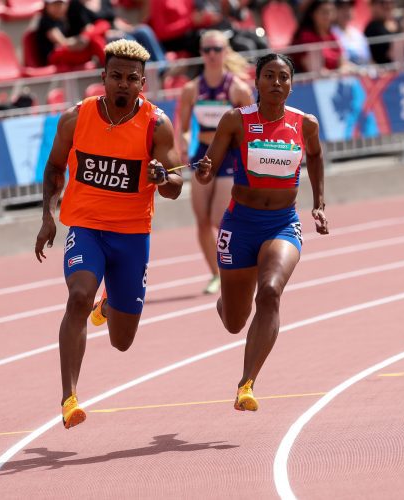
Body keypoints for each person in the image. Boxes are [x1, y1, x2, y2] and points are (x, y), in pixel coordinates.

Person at [34, 40, 184, 429]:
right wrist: (48, 217)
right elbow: (53, 169)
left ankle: (110, 305)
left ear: (142, 83)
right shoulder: (75, 118)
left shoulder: (156, 125)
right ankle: (69, 398)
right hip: (85, 228)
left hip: (132, 236)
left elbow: (175, 183)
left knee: (122, 340)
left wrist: (162, 177)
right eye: (115, 76)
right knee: (78, 296)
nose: (122, 84)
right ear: (102, 77)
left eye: (130, 78)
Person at [195, 53, 329, 411]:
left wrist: (318, 202)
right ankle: (225, 302)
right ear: (257, 82)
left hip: (283, 222)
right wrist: (205, 170)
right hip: (240, 225)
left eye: (283, 77)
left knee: (270, 291)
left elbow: (314, 156)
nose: (276, 83)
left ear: (291, 83)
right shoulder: (236, 121)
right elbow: (207, 171)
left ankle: (247, 384)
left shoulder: (305, 124)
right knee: (235, 322)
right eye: (269, 76)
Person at [177, 30, 254, 295]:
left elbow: (253, 124)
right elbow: (184, 127)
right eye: (206, 50)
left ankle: (239, 264)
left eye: (217, 49)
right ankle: (215, 274)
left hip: (229, 155)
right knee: (201, 220)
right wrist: (184, 143)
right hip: (202, 154)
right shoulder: (191, 89)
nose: (211, 55)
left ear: (225, 52)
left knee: (218, 219)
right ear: (201, 53)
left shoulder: (238, 89)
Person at [291, 0, 342, 73]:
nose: (328, 16)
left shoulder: (333, 36)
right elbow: (315, 70)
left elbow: (342, 63)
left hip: (335, 79)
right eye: (324, 12)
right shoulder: (306, 37)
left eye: (331, 11)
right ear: (313, 14)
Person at [332, 0, 371, 67]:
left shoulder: (357, 33)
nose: (346, 11)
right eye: (342, 7)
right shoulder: (331, 33)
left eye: (349, 7)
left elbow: (369, 60)